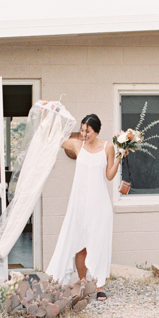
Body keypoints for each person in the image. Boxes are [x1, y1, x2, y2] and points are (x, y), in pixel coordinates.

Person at [46, 114, 120, 301]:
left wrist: (119, 157)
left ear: (96, 131)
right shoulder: (77, 145)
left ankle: (100, 286)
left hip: (99, 203)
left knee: (98, 243)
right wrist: (49, 114)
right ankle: (82, 282)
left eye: (88, 131)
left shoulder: (107, 147)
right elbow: (55, 138)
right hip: (79, 203)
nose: (84, 134)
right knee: (80, 245)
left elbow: (110, 175)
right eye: (82, 130)